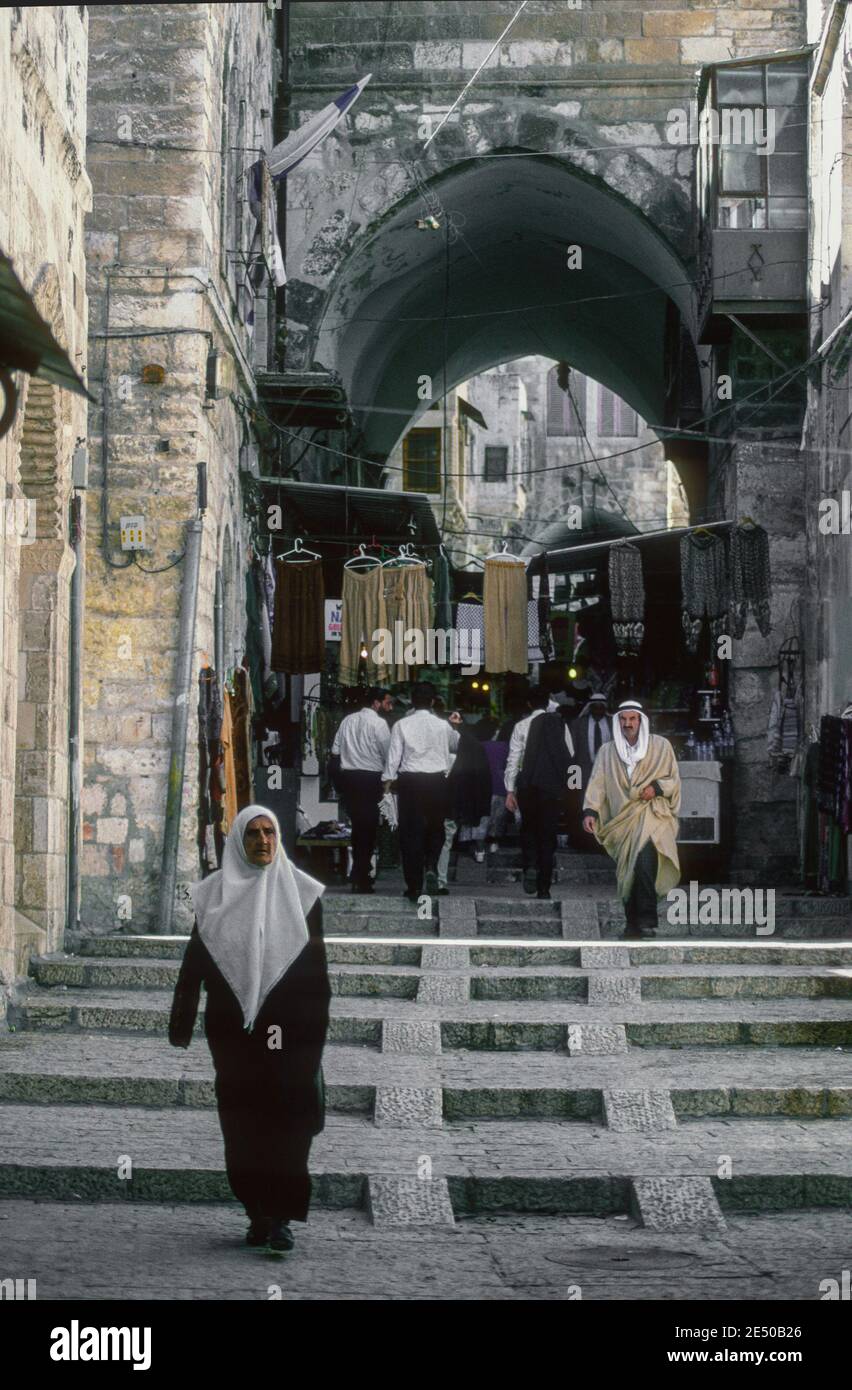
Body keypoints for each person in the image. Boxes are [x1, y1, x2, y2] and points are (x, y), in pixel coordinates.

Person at [168, 806, 331, 1253]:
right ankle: (256, 1212)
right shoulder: (214, 897)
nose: (263, 841)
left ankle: (281, 1218)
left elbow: (318, 977)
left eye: (270, 833)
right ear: (239, 842)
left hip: (288, 1032)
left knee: (288, 1125)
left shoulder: (301, 895)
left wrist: (312, 1040)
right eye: (254, 834)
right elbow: (196, 963)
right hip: (233, 1032)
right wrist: (181, 1018)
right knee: (242, 1126)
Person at [582, 700, 681, 939]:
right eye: (624, 720)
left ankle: (646, 921)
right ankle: (632, 923)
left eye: (632, 719)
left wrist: (656, 787)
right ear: (618, 722)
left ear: (641, 721)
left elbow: (674, 779)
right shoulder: (607, 751)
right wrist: (590, 811)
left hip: (652, 813)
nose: (628, 724)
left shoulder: (661, 746)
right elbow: (598, 783)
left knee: (645, 863)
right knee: (628, 870)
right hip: (623, 819)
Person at [383, 681, 459, 901]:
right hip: (437, 781)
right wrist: (455, 728)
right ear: (433, 701)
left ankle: (414, 886)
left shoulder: (401, 725)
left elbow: (394, 756)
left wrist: (387, 781)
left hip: (411, 781)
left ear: (413, 703)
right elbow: (454, 746)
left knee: (410, 833)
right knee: (436, 827)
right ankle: (431, 865)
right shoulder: (443, 725)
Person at [505, 687, 576, 899]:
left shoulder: (520, 726)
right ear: (548, 703)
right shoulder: (559, 723)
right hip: (551, 787)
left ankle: (530, 866)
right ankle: (544, 888)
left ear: (528, 705)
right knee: (548, 834)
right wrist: (571, 786)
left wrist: (510, 790)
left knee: (528, 830)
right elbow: (570, 754)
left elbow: (513, 760)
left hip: (527, 785)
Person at [331, 686, 391, 893]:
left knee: (357, 828)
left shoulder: (347, 720)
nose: (388, 706)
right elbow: (388, 754)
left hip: (350, 778)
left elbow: (335, 751)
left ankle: (358, 873)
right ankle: (362, 875)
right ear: (376, 702)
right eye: (386, 702)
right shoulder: (379, 724)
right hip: (371, 779)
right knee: (369, 829)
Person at [437, 715, 492, 890]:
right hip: (452, 800)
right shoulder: (472, 746)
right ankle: (439, 880)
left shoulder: (434, 742)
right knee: (445, 839)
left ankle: (426, 875)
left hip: (428, 790)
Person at [570, 693, 613, 852]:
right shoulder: (578, 724)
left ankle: (605, 843)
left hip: (608, 771)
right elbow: (572, 751)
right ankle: (585, 842)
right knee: (583, 804)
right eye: (595, 706)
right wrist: (572, 780)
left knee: (606, 806)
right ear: (590, 707)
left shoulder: (612, 723)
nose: (598, 709)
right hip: (582, 772)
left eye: (601, 707)